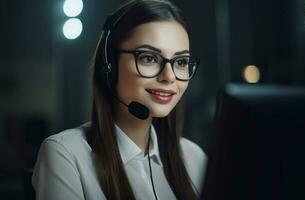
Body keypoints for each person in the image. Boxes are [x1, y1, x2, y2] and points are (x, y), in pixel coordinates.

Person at [31, 0, 207, 199]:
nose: (169, 76)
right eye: (149, 58)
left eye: (181, 61)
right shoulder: (65, 154)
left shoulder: (195, 159)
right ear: (110, 66)